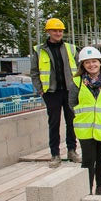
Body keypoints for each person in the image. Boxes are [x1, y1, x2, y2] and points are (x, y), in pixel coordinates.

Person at [30, 17, 81, 168]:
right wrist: (40, 90)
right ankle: (55, 154)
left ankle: (72, 150)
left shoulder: (71, 49)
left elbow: (79, 68)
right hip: (51, 92)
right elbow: (34, 72)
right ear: (48, 32)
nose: (58, 33)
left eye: (60, 31)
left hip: (69, 90)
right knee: (54, 123)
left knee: (71, 121)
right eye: (55, 30)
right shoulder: (39, 50)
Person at [69, 47, 101, 195]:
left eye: (94, 61)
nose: (91, 65)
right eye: (87, 63)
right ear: (83, 65)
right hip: (85, 128)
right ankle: (86, 190)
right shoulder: (77, 82)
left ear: (100, 62)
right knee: (88, 160)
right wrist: (82, 115)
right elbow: (71, 103)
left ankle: (100, 187)